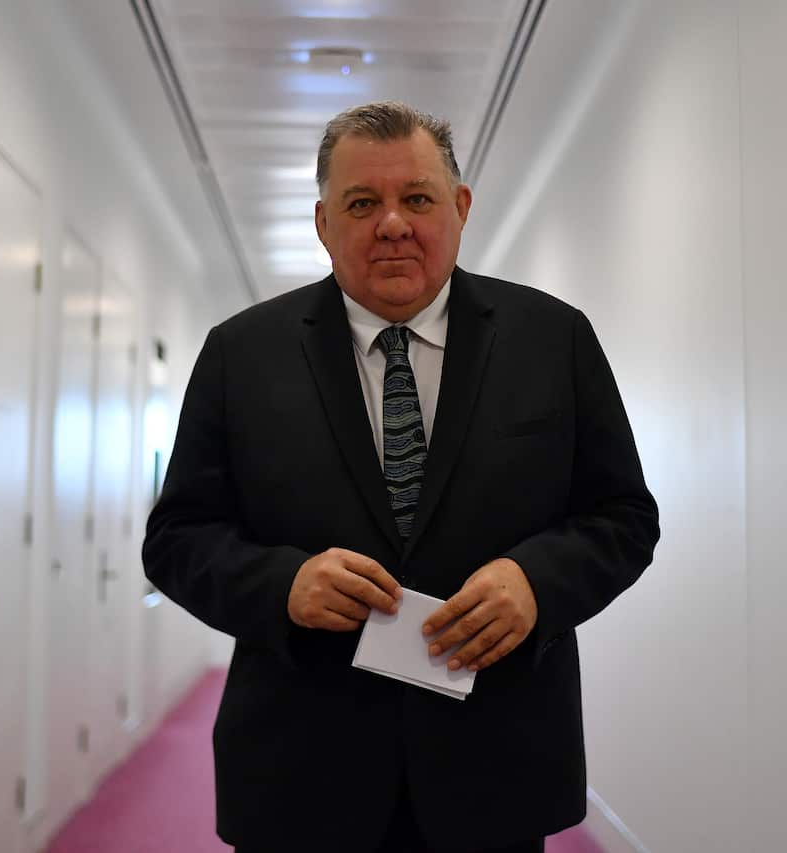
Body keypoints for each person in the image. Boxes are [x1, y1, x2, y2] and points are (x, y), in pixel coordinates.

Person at [143, 101, 659, 853]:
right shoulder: (240, 354)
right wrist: (281, 586)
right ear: (324, 224)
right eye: (362, 203)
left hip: (493, 766)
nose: (392, 223)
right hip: (302, 773)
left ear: (460, 207)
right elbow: (177, 539)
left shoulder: (554, 340)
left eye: (416, 197)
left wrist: (536, 582)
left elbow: (624, 517)